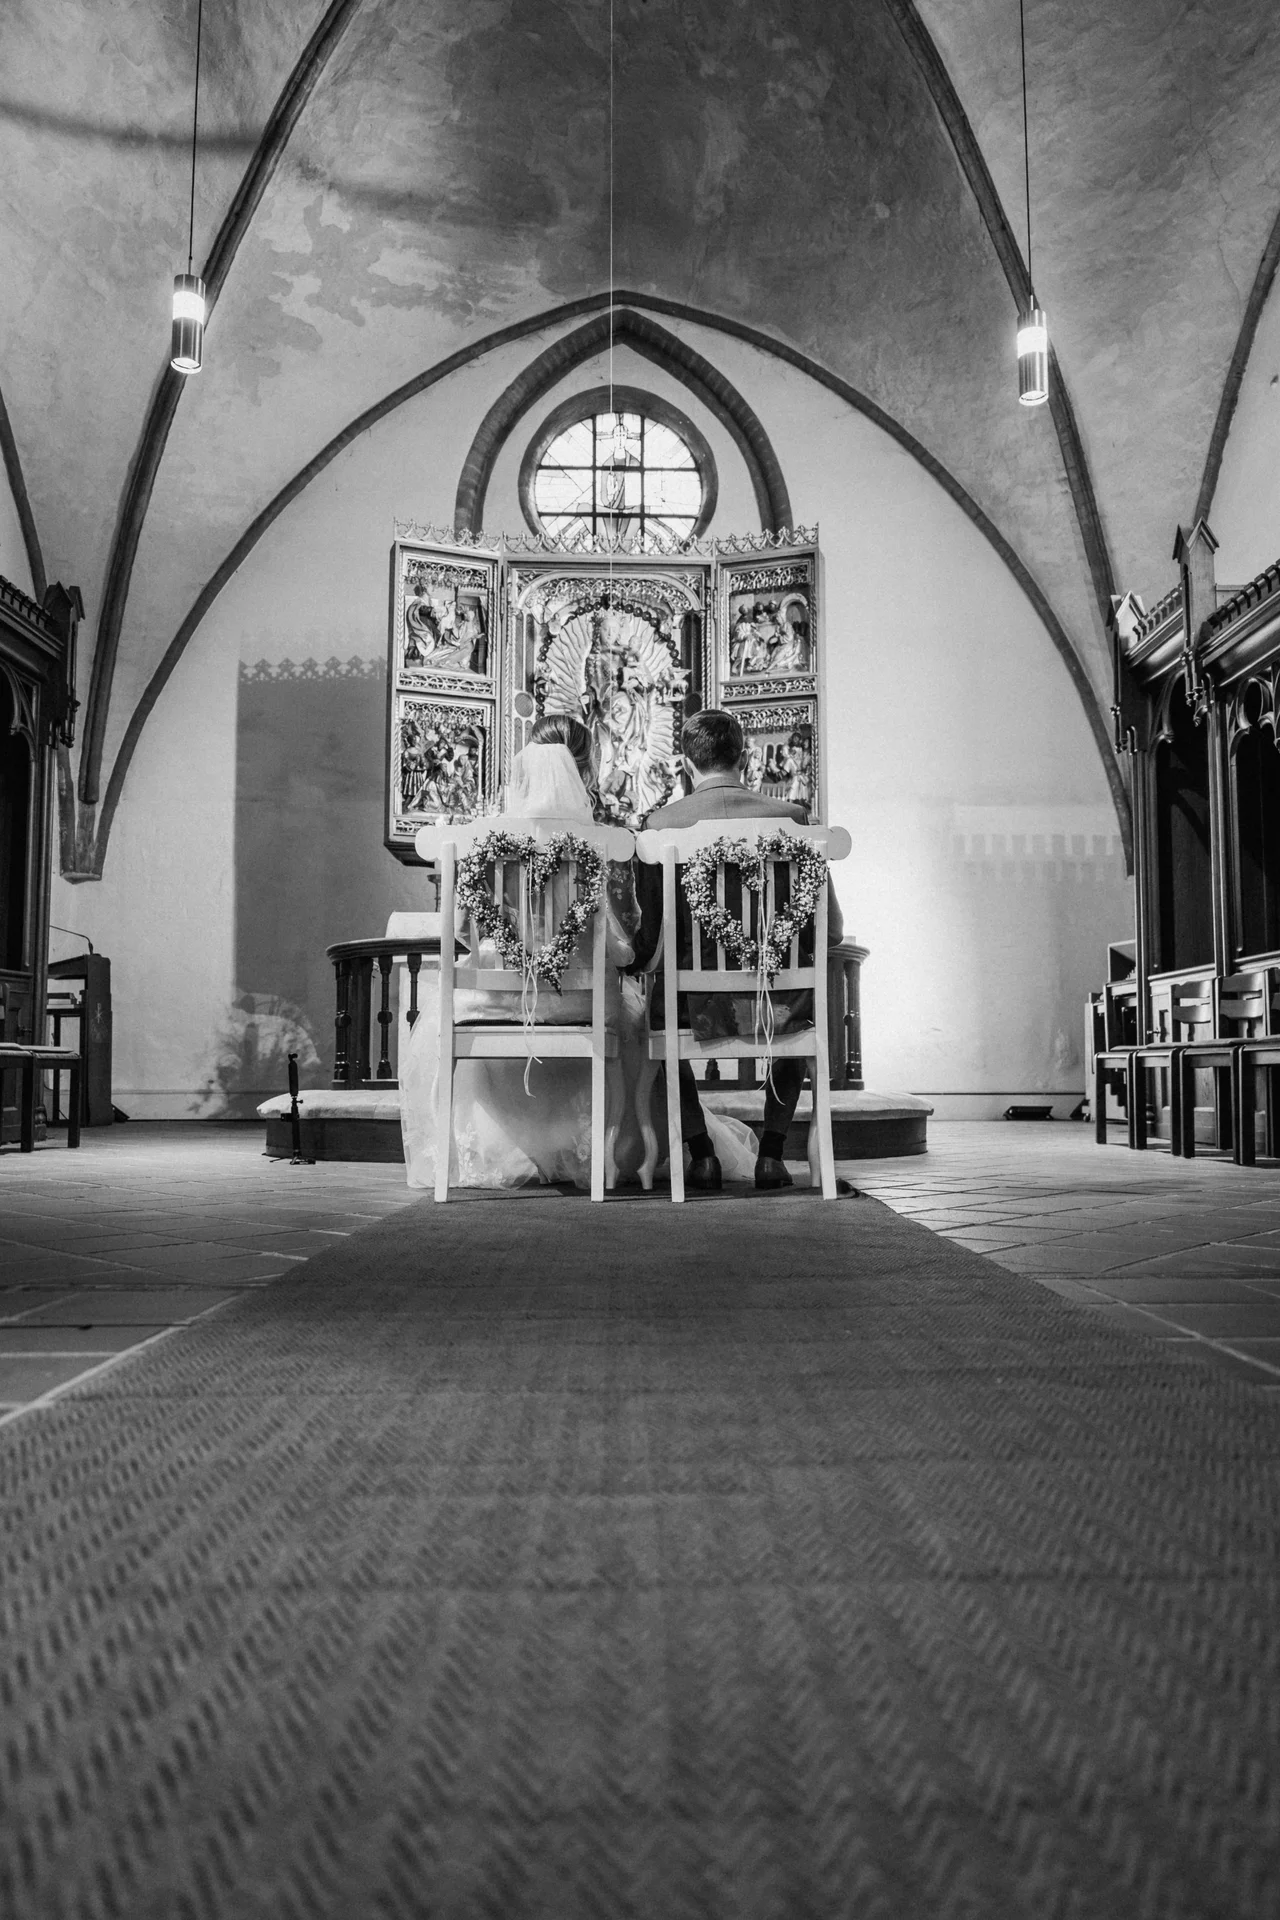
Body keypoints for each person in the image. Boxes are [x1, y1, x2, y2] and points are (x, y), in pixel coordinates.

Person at [399, 716, 637, 1189]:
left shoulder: (485, 840)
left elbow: (462, 931)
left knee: (442, 1013)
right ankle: (602, 1155)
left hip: (496, 1000)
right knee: (633, 1014)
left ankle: (484, 1152)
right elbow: (623, 948)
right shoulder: (605, 841)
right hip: (582, 1001)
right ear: (585, 770)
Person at [632, 707, 844, 1192]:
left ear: (687, 764)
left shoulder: (660, 824)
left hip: (690, 1003)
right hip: (780, 999)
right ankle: (771, 1154)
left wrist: (636, 962)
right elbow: (830, 931)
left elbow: (650, 939)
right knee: (800, 1004)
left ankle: (703, 1154)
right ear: (745, 759)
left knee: (655, 1025)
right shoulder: (794, 820)